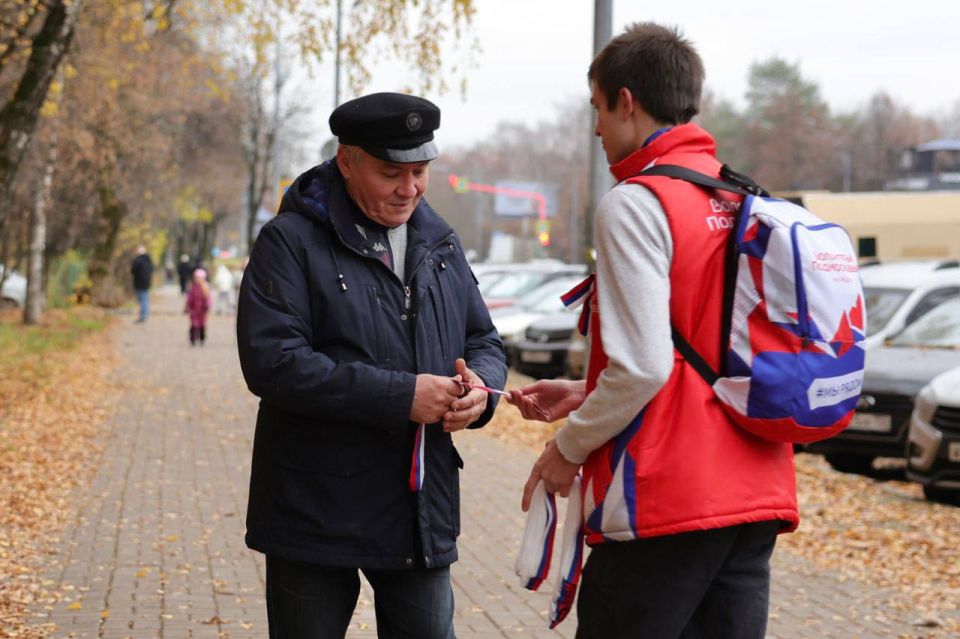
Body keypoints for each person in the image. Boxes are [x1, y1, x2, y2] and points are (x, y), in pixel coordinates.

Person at [510, 23, 798, 639]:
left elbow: (644, 367)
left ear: (626, 102)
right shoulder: (741, 197)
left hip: (666, 498)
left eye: (597, 109)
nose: (595, 129)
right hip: (754, 492)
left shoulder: (638, 203)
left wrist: (567, 449)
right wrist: (590, 395)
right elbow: (702, 353)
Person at [236, 92, 507, 639]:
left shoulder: (442, 242)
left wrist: (482, 393)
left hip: (418, 515)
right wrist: (401, 396)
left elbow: (484, 339)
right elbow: (273, 363)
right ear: (347, 161)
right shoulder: (289, 241)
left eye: (420, 171)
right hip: (314, 512)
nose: (409, 189)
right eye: (391, 173)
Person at [185, 268, 211, 346]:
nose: (198, 280)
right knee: (194, 325)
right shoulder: (193, 288)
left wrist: (207, 306)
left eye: (199, 278)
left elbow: (207, 299)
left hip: (202, 311)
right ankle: (192, 339)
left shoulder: (205, 288)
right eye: (196, 278)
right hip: (194, 311)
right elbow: (189, 298)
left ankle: (202, 338)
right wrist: (187, 306)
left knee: (202, 325)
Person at [130, 245, 153, 323]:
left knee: (142, 299)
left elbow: (133, 270)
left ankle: (143, 315)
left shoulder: (138, 260)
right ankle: (144, 314)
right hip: (146, 282)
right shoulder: (149, 260)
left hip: (139, 282)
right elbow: (152, 270)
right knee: (145, 298)